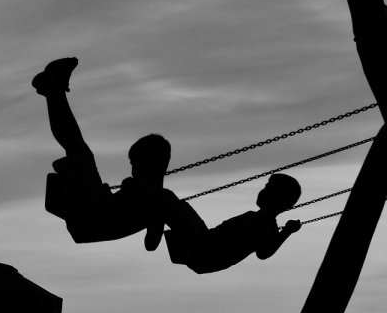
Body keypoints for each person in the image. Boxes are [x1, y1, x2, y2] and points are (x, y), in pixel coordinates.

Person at [32, 57, 172, 250]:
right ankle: (53, 91)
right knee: (77, 149)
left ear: (152, 163)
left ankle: (53, 90)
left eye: (136, 163)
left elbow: (151, 244)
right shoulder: (151, 194)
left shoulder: (160, 198)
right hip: (95, 214)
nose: (132, 168)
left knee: (79, 151)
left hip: (95, 217)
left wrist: (145, 203)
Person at [163, 174, 302, 274]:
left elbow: (264, 253)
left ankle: (154, 229)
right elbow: (264, 251)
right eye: (266, 187)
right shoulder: (261, 220)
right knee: (170, 203)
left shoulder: (266, 224)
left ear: (279, 199)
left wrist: (287, 231)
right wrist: (286, 231)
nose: (263, 191)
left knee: (167, 199)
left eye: (269, 189)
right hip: (204, 248)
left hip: (205, 250)